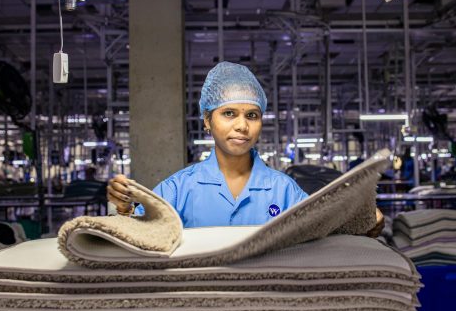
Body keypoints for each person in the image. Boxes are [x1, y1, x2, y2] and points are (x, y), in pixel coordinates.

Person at [108, 61, 384, 235]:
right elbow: (140, 237)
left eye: (252, 115)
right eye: (229, 113)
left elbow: (324, 230)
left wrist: (365, 223)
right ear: (207, 120)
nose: (242, 126)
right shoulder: (177, 189)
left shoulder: (284, 190)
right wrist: (123, 209)